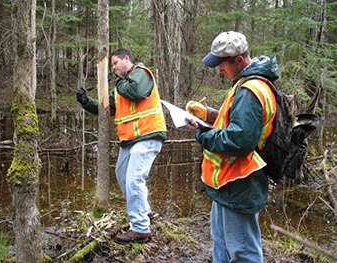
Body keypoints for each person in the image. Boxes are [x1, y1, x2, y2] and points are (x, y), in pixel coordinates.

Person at [186, 31, 279, 262]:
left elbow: (240, 141)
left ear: (239, 60)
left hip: (240, 182)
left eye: (221, 64)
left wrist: (202, 134)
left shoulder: (250, 90)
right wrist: (207, 116)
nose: (218, 69)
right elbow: (235, 122)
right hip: (228, 182)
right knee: (222, 244)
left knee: (242, 251)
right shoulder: (243, 83)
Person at [76, 48, 167, 244]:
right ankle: (145, 211)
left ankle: (141, 227)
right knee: (122, 174)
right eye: (112, 65)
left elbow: (137, 92)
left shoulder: (140, 73)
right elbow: (107, 106)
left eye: (116, 63)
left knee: (134, 180)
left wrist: (118, 83)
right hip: (130, 140)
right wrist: (85, 102)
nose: (114, 68)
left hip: (147, 134)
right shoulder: (122, 85)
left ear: (127, 59)